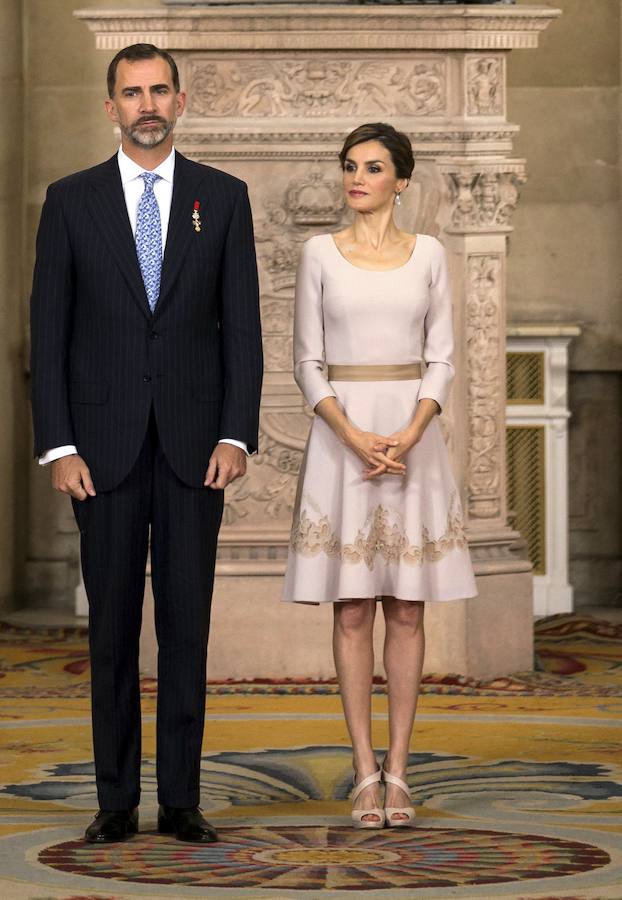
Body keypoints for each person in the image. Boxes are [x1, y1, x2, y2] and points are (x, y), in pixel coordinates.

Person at [30, 44, 263, 844]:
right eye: (131, 93)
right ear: (111, 108)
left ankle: (184, 799)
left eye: (159, 89)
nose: (147, 103)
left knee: (188, 631)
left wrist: (237, 432)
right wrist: (58, 445)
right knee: (112, 634)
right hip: (102, 451)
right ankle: (116, 799)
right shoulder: (70, 200)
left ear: (182, 99)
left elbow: (244, 329)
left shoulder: (223, 198)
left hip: (199, 450)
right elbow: (48, 333)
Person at [282, 123, 476, 828]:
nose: (356, 178)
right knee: (354, 606)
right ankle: (363, 770)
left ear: (402, 180)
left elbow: (443, 355)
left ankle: (400, 769)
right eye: (349, 167)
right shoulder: (317, 254)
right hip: (344, 440)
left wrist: (413, 430)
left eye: (372, 167)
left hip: (412, 437)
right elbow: (306, 361)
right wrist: (355, 434)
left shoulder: (429, 253)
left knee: (408, 606)